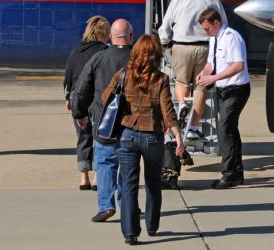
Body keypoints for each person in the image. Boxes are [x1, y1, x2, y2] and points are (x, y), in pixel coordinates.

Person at [103, 35, 184, 245]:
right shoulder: (161, 79)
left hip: (127, 134)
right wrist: (178, 137)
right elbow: (168, 111)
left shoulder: (124, 74)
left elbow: (106, 97)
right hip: (152, 136)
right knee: (152, 182)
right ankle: (152, 224)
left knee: (128, 184)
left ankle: (130, 232)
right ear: (157, 55)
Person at [72, 19, 133, 222]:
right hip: (132, 123)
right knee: (128, 166)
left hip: (104, 122)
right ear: (131, 37)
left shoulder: (99, 58)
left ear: (110, 37)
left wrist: (80, 114)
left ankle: (106, 206)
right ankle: (128, 206)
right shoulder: (138, 59)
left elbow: (82, 88)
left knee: (105, 163)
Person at [158, 0, 227, 140]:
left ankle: (181, 104)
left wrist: (165, 42)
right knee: (201, 86)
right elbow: (223, 24)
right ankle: (193, 128)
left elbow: (166, 25)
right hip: (205, 47)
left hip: (181, 46)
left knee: (181, 81)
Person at [196, 8, 251, 189]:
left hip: (236, 89)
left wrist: (213, 78)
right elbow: (211, 63)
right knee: (229, 129)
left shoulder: (231, 37)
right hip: (223, 89)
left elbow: (238, 65)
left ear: (216, 23)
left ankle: (230, 173)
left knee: (224, 128)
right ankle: (236, 172)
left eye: (207, 29)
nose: (205, 32)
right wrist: (204, 73)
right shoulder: (215, 38)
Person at [63, 15, 110, 190]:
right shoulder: (104, 51)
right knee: (100, 137)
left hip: (77, 97)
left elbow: (68, 75)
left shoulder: (77, 50)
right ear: (104, 32)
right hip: (97, 99)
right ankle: (98, 176)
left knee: (83, 137)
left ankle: (84, 177)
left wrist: (69, 98)